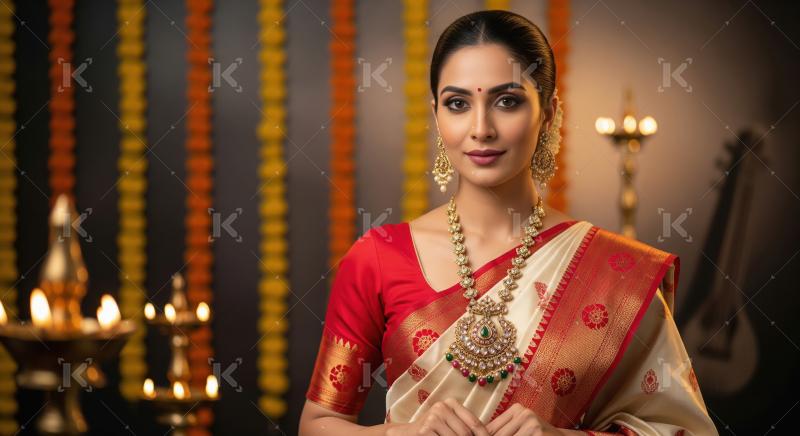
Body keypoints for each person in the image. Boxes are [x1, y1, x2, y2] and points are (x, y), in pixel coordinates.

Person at [300, 9, 717, 436]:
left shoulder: (615, 271)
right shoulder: (378, 258)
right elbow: (318, 425)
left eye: (507, 101)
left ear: (549, 112)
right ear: (436, 114)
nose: (481, 129)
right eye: (458, 103)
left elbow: (682, 431)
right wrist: (400, 433)